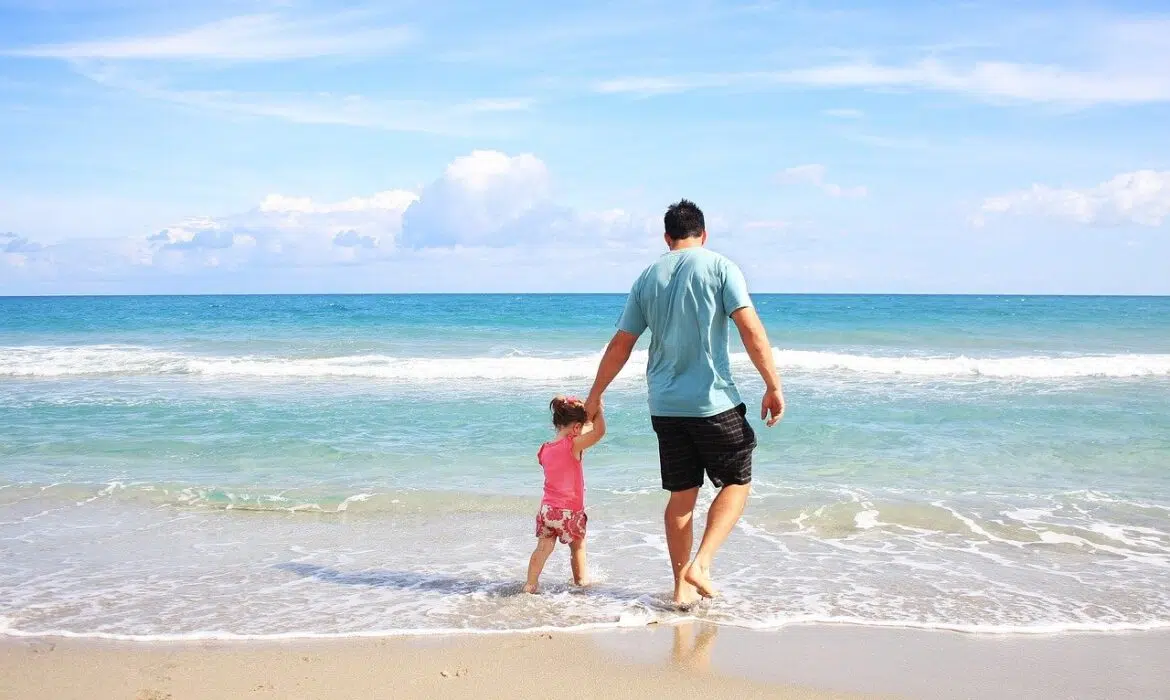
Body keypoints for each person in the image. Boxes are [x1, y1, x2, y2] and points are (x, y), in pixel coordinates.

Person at [584, 199, 784, 608]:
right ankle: (702, 564)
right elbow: (750, 328)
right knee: (737, 481)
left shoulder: (647, 277)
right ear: (703, 234)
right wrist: (772, 384)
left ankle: (681, 588)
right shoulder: (721, 267)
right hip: (712, 402)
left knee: (681, 495)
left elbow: (622, 343)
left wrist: (595, 394)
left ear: (667, 238)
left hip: (665, 405)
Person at [523, 395, 606, 594]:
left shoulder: (543, 450)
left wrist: (583, 420)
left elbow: (579, 432)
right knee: (577, 547)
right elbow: (599, 432)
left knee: (542, 548)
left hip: (547, 511)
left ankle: (530, 585)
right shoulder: (573, 446)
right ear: (576, 428)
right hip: (570, 512)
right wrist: (598, 410)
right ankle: (580, 581)